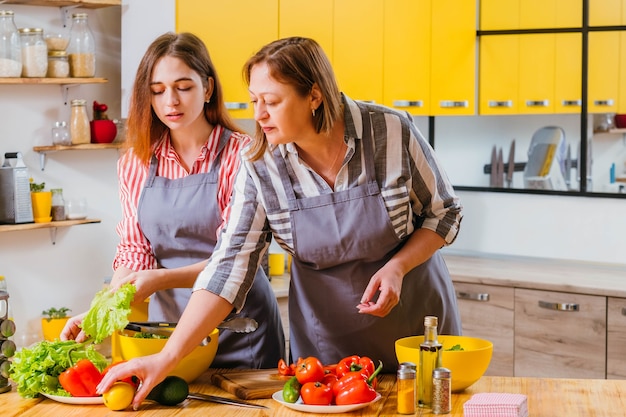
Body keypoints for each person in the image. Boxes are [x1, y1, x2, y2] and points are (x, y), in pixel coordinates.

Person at [98, 36, 462, 409]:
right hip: (326, 344)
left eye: (271, 102)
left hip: (417, 332)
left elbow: (444, 212)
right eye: (254, 101)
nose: (258, 115)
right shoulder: (260, 164)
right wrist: (166, 358)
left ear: (314, 97)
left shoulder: (389, 130)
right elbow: (229, 266)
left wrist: (398, 266)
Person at [61, 32, 285, 369]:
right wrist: (102, 311)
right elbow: (135, 251)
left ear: (207, 88)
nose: (171, 102)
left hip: (241, 331)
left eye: (183, 87)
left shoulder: (242, 156)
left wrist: (161, 279)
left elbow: (235, 260)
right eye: (158, 90)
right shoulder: (137, 161)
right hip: (168, 333)